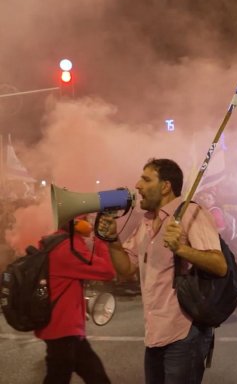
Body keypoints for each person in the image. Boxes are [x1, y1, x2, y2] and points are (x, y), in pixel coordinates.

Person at [99, 158, 226, 384]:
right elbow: (127, 269)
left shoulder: (190, 213)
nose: (137, 185)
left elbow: (219, 264)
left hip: (185, 332)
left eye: (146, 179)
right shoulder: (147, 222)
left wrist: (181, 249)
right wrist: (112, 240)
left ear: (165, 186)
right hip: (155, 333)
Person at [35, 216, 115, 384]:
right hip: (63, 330)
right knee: (59, 377)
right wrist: (100, 241)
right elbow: (107, 271)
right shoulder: (68, 246)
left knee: (96, 375)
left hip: (65, 330)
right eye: (86, 218)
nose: (90, 222)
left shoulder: (56, 242)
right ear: (77, 223)